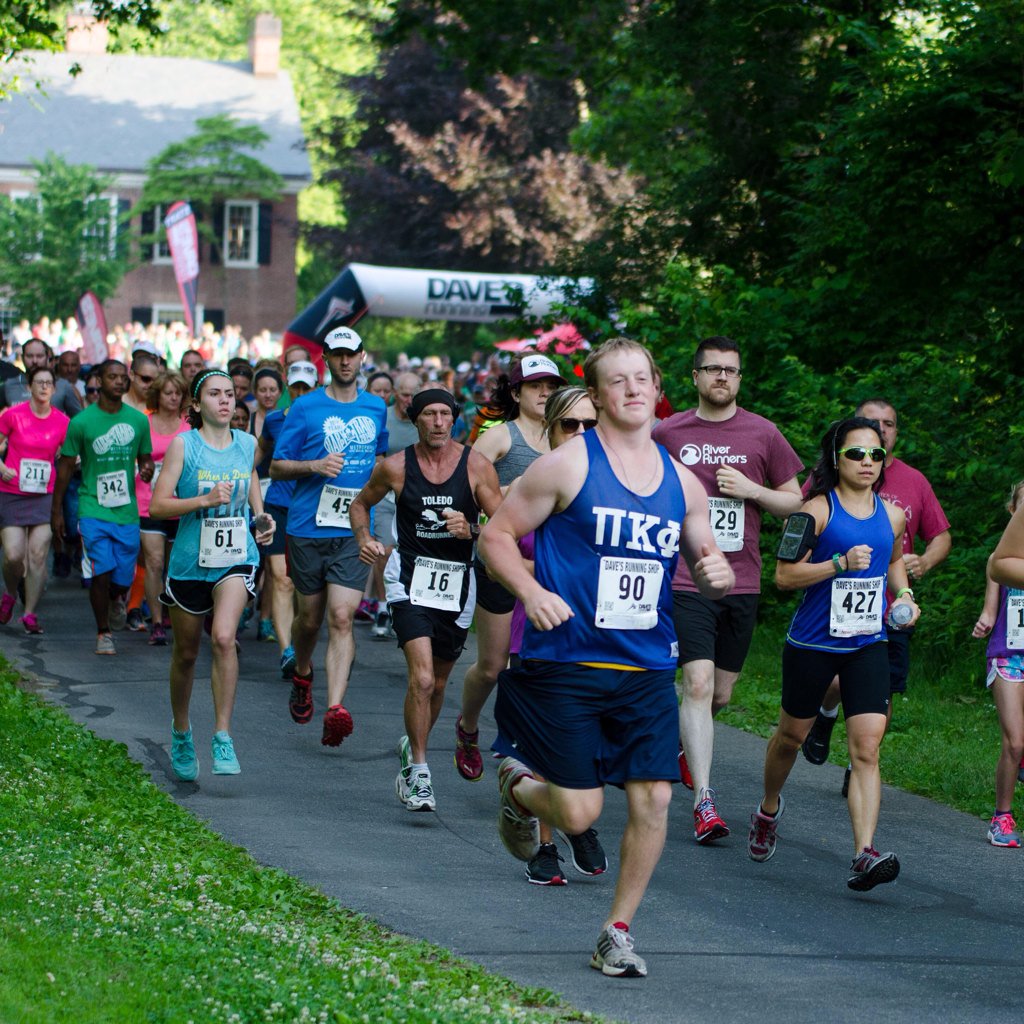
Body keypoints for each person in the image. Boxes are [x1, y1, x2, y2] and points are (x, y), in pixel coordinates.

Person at [480, 338, 734, 978]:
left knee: (655, 800)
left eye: (641, 378)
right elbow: (496, 536)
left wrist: (715, 572)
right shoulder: (566, 466)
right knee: (579, 811)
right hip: (566, 663)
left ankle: (615, 931)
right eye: (616, 381)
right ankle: (518, 788)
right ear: (595, 396)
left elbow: (703, 560)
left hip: (646, 667)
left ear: (657, 386)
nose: (632, 389)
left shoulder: (683, 483)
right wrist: (532, 590)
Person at [748, 417, 919, 891]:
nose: (867, 462)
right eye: (856, 454)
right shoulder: (813, 513)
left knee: (866, 748)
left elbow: (894, 561)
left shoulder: (893, 514)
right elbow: (784, 577)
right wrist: (840, 563)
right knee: (790, 738)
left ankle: (864, 852)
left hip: (867, 644)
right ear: (836, 457)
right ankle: (768, 808)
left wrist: (903, 597)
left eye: (875, 455)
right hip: (813, 645)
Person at [650, 336, 803, 843]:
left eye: (730, 370)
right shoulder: (667, 432)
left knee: (719, 693)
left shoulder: (763, 433)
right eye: (712, 369)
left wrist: (753, 490)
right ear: (694, 377)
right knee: (694, 685)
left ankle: (686, 746)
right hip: (685, 577)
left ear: (739, 378)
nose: (721, 377)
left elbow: (794, 502)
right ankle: (704, 804)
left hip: (742, 579)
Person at [350, 388, 502, 812]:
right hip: (408, 581)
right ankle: (418, 772)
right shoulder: (396, 467)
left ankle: (410, 745)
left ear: (455, 418)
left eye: (444, 414)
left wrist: (471, 531)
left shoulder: (476, 466)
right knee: (419, 680)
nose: (438, 422)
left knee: (436, 683)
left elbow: (506, 525)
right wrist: (366, 539)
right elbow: (360, 504)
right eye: (429, 414)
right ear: (414, 420)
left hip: (458, 586)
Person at [801, 398, 951, 793]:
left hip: (884, 614)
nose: (879, 431)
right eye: (871, 423)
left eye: (888, 425)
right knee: (833, 681)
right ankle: (825, 714)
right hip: (828, 612)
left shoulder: (913, 482)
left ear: (894, 437)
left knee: (880, 692)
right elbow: (805, 522)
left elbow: (937, 537)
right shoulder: (829, 484)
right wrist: (836, 562)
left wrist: (912, 580)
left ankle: (861, 761)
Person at [503, 385, 608, 886]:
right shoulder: (530, 482)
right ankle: (546, 845)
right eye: (571, 425)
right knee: (546, 744)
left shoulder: (615, 484)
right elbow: (498, 550)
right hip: (539, 631)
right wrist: (544, 574)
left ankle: (576, 817)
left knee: (590, 741)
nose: (582, 435)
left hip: (598, 635)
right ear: (549, 430)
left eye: (592, 425)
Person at [150, 368, 276, 780]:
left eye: (230, 394)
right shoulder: (183, 447)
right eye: (216, 394)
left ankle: (222, 734)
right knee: (186, 654)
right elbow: (158, 507)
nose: (226, 400)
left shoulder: (247, 443)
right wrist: (203, 499)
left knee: (224, 637)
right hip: (189, 561)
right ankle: (182, 730)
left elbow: (250, 476)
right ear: (197, 404)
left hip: (237, 555)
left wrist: (259, 514)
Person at [269, 325, 387, 747]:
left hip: (354, 532)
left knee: (341, 617)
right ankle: (302, 672)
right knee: (310, 619)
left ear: (361, 356)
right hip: (306, 528)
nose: (344, 361)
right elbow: (277, 466)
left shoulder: (377, 408)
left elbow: (382, 461)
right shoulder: (305, 408)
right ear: (326, 359)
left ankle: (335, 708)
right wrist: (314, 466)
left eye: (351, 354)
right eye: (336, 355)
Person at [456, 353, 566, 783]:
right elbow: (459, 483)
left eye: (551, 386)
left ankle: (525, 756)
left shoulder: (571, 438)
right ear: (517, 392)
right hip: (503, 563)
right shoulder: (502, 437)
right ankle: (467, 727)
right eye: (536, 385)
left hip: (549, 567)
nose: (544, 393)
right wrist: (500, 496)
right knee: (493, 666)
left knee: (535, 665)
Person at [51, 359, 154, 655]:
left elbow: (144, 458)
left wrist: (145, 468)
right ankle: (103, 632)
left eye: (123, 377)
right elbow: (67, 467)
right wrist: (56, 510)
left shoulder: (138, 421)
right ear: (99, 380)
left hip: (126, 509)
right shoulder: (82, 422)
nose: (119, 382)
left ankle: (115, 600)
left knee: (122, 578)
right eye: (113, 377)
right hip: (92, 506)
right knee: (100, 570)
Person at [972, 479, 1024, 847]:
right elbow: (991, 610)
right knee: (1015, 741)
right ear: (1013, 512)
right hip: (1008, 654)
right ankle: (1001, 817)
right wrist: (986, 620)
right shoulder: (999, 560)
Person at [258, 360, 318, 677]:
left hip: (312, 509)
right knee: (280, 579)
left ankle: (302, 642)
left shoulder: (325, 419)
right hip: (279, 504)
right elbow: (258, 457)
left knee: (302, 585)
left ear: (316, 387)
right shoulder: (273, 420)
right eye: (295, 386)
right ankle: (286, 651)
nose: (300, 393)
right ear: (287, 386)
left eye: (306, 387)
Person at [0, 365, 71, 633]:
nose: (43, 387)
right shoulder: (13, 416)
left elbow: (69, 455)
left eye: (48, 383)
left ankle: (29, 613)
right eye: (39, 382)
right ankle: (9, 593)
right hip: (12, 492)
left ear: (54, 389)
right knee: (14, 556)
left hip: (44, 495)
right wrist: (2, 467)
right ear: (29, 386)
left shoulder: (62, 422)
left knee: (38, 555)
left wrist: (70, 459)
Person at [130, 370, 189, 644]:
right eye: (168, 392)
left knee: (174, 565)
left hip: (181, 504)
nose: (174, 397)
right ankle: (155, 622)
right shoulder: (143, 423)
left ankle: (170, 612)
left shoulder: (189, 426)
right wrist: (139, 469)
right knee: (154, 562)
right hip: (149, 503)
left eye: (178, 393)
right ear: (158, 395)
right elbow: (131, 456)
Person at [249, 366, 284, 643]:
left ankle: (265, 618)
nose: (268, 394)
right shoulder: (245, 418)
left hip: (275, 496)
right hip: (251, 494)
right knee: (253, 558)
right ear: (255, 391)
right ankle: (243, 605)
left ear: (280, 392)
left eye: (273, 389)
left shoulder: (286, 419)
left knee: (273, 563)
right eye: (263, 389)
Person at [1, 338, 81, 416]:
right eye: (29, 356)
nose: (34, 361)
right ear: (22, 358)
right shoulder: (8, 385)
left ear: (47, 358)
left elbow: (79, 422)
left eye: (39, 356)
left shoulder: (63, 386)